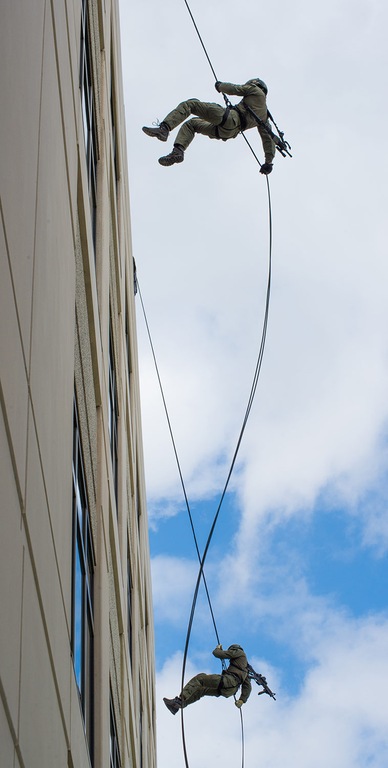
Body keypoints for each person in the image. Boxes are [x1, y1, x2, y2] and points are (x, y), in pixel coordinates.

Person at [142, 78, 275, 174]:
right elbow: (267, 138)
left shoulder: (255, 90)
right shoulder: (264, 116)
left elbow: (235, 89)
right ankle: (178, 152)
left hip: (228, 118)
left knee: (191, 104)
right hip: (228, 133)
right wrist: (268, 163)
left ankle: (164, 129)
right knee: (192, 124)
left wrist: (220, 86)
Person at [163, 644, 252, 715]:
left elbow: (217, 654)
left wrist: (218, 649)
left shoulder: (240, 652)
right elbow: (247, 686)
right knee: (201, 690)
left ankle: (179, 700)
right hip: (229, 690)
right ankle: (178, 706)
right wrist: (242, 700)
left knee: (200, 678)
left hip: (228, 681)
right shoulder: (245, 669)